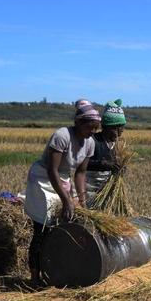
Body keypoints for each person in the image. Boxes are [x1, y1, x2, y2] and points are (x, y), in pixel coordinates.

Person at [24, 103, 100, 284]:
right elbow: (52, 170)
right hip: (43, 180)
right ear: (78, 122)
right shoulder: (62, 136)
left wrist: (81, 200)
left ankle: (55, 272)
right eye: (89, 127)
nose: (92, 131)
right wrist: (66, 200)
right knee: (42, 229)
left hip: (62, 180)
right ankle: (34, 278)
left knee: (63, 227)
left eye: (96, 128)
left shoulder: (90, 143)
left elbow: (80, 173)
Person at [85, 99, 127, 202]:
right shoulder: (93, 141)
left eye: (122, 128)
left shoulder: (117, 145)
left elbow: (115, 165)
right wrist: (102, 164)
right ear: (108, 127)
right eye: (118, 128)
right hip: (89, 190)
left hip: (107, 191)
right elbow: (81, 163)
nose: (121, 131)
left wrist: (120, 168)